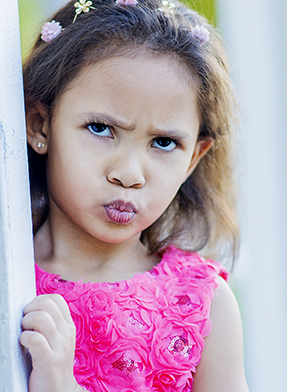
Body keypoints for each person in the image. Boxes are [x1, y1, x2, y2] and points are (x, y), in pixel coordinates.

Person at [19, 0, 249, 391]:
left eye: (163, 142)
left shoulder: (204, 303)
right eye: (100, 128)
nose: (129, 174)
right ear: (40, 124)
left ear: (194, 158)